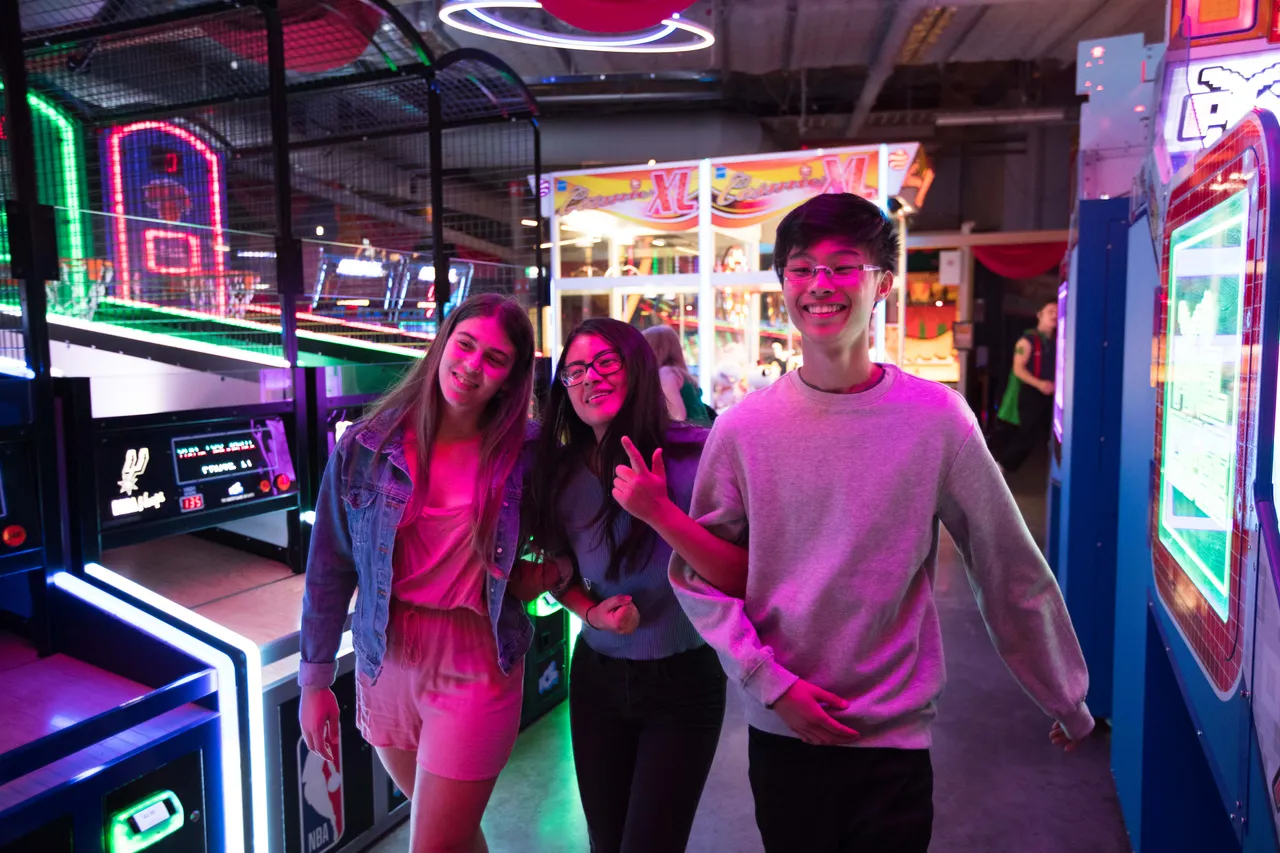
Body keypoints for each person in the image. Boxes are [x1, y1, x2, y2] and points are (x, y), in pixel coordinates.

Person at [617, 193, 1092, 853]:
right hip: (783, 730)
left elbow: (1006, 561)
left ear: (883, 283)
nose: (820, 284)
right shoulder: (745, 429)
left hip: (893, 738)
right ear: (782, 282)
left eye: (844, 265)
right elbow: (702, 575)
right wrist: (768, 683)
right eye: (802, 266)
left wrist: (1064, 692)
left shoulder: (937, 420)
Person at [298, 294, 542, 853]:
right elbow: (329, 569)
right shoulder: (365, 445)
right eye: (466, 344)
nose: (473, 366)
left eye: (496, 359)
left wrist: (552, 577)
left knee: (431, 845)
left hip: (475, 657)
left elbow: (577, 528)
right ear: (442, 344)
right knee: (454, 838)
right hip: (385, 656)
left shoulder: (526, 453)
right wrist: (314, 682)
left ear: (510, 377)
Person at [525, 318, 728, 853]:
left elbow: (737, 574)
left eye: (604, 362)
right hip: (597, 679)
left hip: (684, 683)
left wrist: (660, 512)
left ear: (637, 366)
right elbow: (560, 569)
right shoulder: (562, 474)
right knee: (606, 842)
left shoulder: (697, 456)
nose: (589, 378)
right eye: (574, 370)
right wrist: (591, 614)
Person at [987, 300, 1058, 473]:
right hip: (1028, 393)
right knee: (1023, 433)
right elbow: (1018, 369)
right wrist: (1040, 384)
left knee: (1034, 434)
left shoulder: (1057, 341)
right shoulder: (1026, 341)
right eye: (1050, 311)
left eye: (1057, 311)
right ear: (1039, 315)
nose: (1055, 315)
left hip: (1048, 394)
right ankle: (998, 466)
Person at [642, 324, 713, 426]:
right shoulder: (680, 374)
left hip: (689, 439)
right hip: (703, 435)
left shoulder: (665, 373)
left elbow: (677, 416)